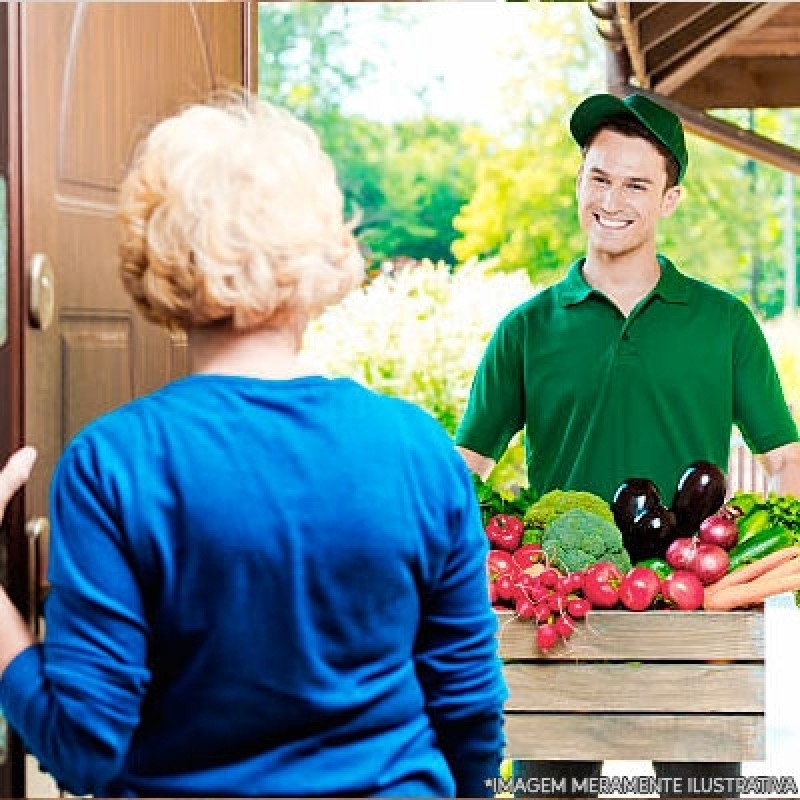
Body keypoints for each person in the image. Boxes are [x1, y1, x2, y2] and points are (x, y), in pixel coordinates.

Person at [0, 93, 506, 797]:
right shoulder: (418, 450)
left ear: (157, 254)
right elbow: (471, 716)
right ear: (324, 247)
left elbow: (85, 749)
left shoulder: (112, 465)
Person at [455, 92, 800, 798]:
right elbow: (466, 471)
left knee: (698, 792)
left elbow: (785, 459)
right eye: (598, 177)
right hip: (560, 614)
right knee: (552, 791)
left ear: (670, 199)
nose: (613, 199)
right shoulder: (525, 330)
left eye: (637, 184)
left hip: (691, 612)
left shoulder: (724, 323)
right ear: (580, 182)